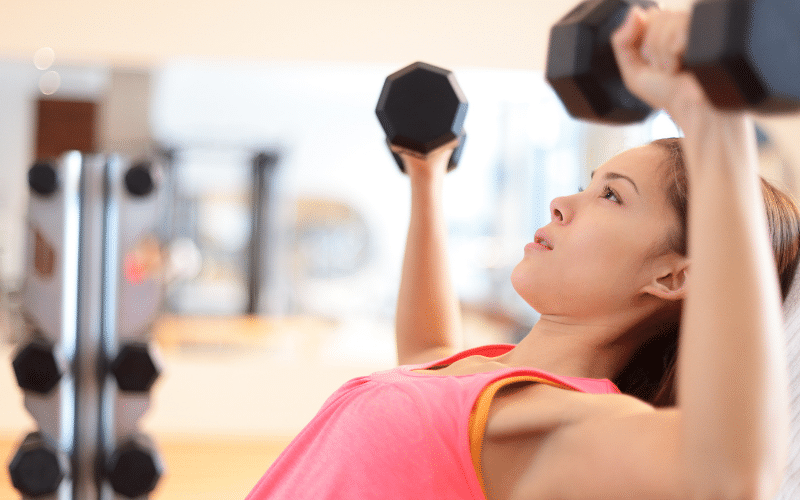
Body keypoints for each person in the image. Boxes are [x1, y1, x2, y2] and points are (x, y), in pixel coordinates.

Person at [245, 7, 797, 500]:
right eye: (589, 182)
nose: (560, 203)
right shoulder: (486, 378)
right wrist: (427, 171)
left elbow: (729, 475)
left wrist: (709, 118)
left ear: (675, 275)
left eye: (611, 195)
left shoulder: (565, 426)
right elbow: (425, 350)